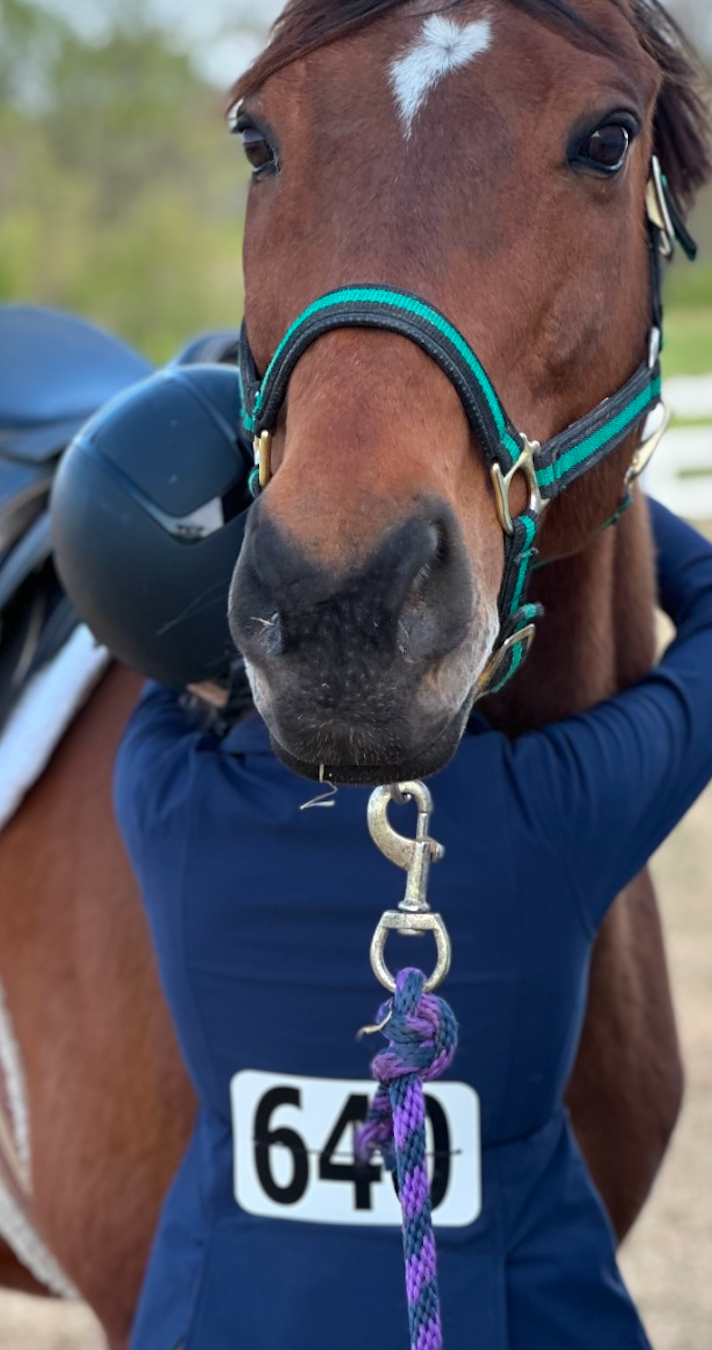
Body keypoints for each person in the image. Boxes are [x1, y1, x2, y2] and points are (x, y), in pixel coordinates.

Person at [112, 494, 712, 1350]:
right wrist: (570, 477)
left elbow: (154, 645)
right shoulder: (549, 813)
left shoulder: (157, 792)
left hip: (218, 1317)